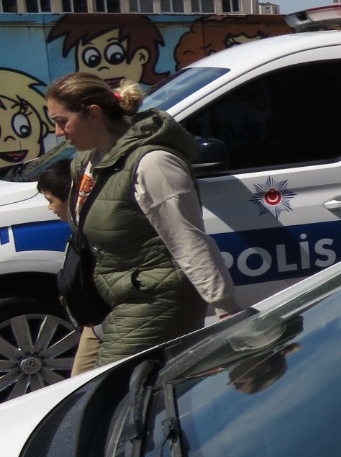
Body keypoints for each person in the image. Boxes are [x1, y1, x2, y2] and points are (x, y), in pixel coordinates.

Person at [45, 73, 243, 366]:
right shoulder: (86, 162)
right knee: (80, 393)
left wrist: (227, 309)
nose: (58, 132)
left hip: (155, 301)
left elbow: (187, 240)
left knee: (106, 398)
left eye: (62, 121)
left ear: (94, 114)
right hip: (110, 302)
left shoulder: (154, 164)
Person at [34, 163, 101, 376]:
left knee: (83, 383)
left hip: (104, 325)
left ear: (70, 197)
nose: (49, 208)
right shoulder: (81, 231)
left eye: (51, 201)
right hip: (96, 325)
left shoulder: (94, 235)